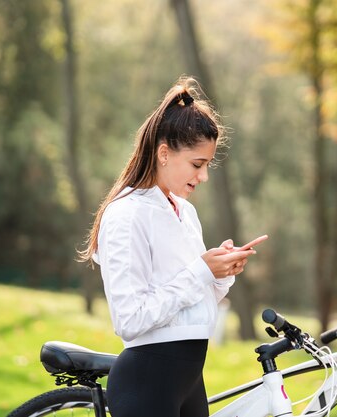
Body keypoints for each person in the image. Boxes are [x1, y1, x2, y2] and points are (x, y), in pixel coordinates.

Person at [78, 76, 256, 417]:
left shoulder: (184, 212)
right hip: (147, 381)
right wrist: (201, 270)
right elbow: (130, 319)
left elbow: (189, 304)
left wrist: (221, 273)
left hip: (188, 379)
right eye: (197, 165)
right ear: (163, 153)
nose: (203, 177)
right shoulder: (127, 214)